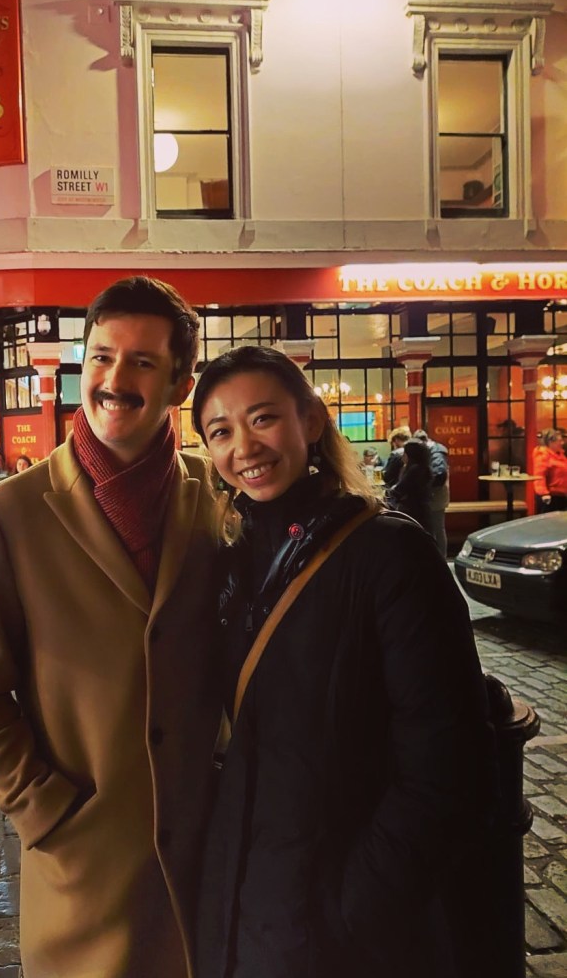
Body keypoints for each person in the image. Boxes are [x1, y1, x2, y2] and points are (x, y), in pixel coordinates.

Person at [0, 276, 222, 978]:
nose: (115, 380)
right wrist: (45, 811)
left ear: (180, 384)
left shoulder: (215, 497)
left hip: (212, 856)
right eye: (102, 356)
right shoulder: (11, 513)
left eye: (142, 362)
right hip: (85, 871)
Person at [191, 346, 496, 978]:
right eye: (220, 431)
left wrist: (351, 911)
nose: (244, 447)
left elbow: (448, 766)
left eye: (263, 418)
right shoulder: (230, 560)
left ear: (311, 420)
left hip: (344, 932)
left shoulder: (390, 553)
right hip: (244, 909)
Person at [413, 428, 450, 557]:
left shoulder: (436, 452)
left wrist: (423, 485)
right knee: (435, 528)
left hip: (435, 496)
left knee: (437, 528)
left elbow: (439, 475)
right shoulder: (436, 450)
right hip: (435, 495)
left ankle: (441, 559)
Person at [387, 437, 433, 534]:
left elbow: (399, 490)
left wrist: (388, 492)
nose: (402, 456)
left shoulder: (414, 470)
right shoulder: (424, 468)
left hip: (413, 513)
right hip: (424, 513)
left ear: (410, 455)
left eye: (405, 453)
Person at [532, 428, 567, 512]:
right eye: (559, 441)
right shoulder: (542, 455)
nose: (562, 443)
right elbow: (540, 476)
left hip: (561, 495)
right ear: (551, 442)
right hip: (549, 497)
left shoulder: (560, 455)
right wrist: (544, 493)